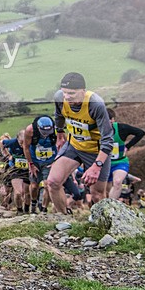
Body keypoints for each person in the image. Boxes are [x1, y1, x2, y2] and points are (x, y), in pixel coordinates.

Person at [46, 72, 114, 214]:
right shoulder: (60, 97)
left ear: (83, 91)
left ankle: (106, 224)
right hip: (74, 145)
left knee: (97, 194)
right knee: (52, 182)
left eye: (72, 93)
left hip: (96, 150)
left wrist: (97, 166)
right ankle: (63, 217)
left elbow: (108, 140)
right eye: (65, 92)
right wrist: (59, 133)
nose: (67, 97)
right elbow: (59, 115)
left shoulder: (96, 104)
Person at [105, 108, 145, 200]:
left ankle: (111, 207)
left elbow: (140, 133)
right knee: (106, 190)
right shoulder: (96, 129)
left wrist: (128, 146)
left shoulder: (121, 128)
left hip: (120, 161)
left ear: (112, 120)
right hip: (104, 163)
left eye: (107, 120)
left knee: (118, 182)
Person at [20, 115, 59, 213]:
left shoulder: (56, 129)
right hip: (35, 161)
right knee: (34, 186)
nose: (46, 134)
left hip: (50, 161)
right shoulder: (30, 130)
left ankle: (44, 209)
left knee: (47, 185)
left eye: (48, 132)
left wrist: (56, 161)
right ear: (38, 128)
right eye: (44, 132)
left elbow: (62, 144)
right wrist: (31, 164)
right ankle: (33, 203)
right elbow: (26, 147)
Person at [0, 132, 31, 214]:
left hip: (29, 170)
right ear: (17, 139)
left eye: (24, 142)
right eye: (20, 142)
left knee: (27, 193)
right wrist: (7, 155)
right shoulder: (12, 142)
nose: (22, 144)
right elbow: (1, 143)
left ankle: (27, 210)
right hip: (16, 169)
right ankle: (19, 211)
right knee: (18, 193)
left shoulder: (32, 142)